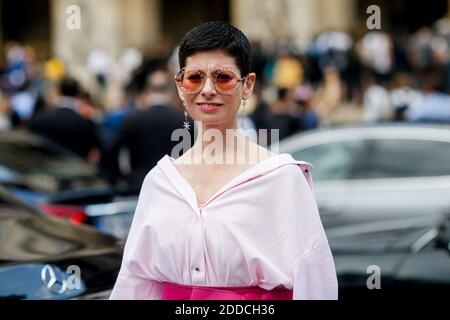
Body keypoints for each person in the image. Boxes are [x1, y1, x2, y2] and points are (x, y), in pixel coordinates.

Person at [110, 21, 337, 300]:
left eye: (223, 78)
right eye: (195, 77)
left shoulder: (281, 178)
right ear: (180, 87)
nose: (207, 89)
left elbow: (314, 280)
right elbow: (136, 284)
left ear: (247, 85)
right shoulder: (160, 182)